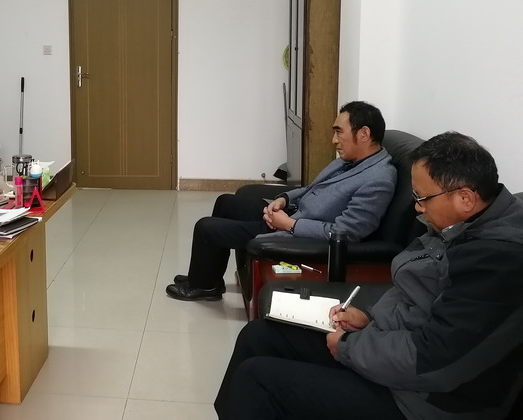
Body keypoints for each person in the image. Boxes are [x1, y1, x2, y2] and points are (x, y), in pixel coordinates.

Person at [215, 131, 523, 420]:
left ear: (465, 198)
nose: (417, 208)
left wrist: (349, 347)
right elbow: (417, 298)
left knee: (257, 380)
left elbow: (433, 361)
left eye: (423, 198)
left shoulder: (498, 262)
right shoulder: (462, 224)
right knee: (259, 335)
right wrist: (370, 317)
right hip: (396, 358)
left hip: (425, 401)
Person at [166, 101, 397, 301]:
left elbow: (347, 233)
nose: (333, 140)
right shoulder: (351, 160)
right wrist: (284, 200)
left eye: (339, 132)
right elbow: (311, 189)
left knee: (206, 227)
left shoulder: (379, 179)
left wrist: (289, 224)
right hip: (291, 215)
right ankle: (206, 278)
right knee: (226, 202)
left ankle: (204, 288)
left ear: (364, 134)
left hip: (300, 235)